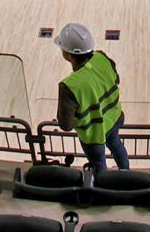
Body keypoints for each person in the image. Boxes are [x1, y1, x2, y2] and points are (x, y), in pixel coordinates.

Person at [54, 23, 129, 171]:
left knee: (98, 162)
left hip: (93, 134)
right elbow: (116, 80)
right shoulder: (102, 57)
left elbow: (66, 125)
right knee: (116, 145)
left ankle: (103, 188)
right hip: (114, 119)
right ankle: (126, 173)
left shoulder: (69, 86)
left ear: (68, 54)